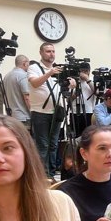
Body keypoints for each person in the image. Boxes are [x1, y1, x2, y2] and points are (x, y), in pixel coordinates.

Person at [27, 42, 71, 178]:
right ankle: (42, 175)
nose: (51, 54)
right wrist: (50, 73)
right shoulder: (34, 67)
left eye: (53, 51)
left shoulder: (59, 70)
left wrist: (71, 84)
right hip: (40, 112)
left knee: (53, 145)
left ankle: (51, 174)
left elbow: (65, 90)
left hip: (56, 112)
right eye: (48, 51)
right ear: (41, 52)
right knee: (43, 145)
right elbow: (35, 83)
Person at [0, 54, 31, 129]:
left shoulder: (6, 76)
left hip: (11, 116)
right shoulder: (23, 76)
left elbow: (3, 97)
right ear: (25, 63)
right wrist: (33, 113)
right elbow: (27, 97)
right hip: (24, 117)